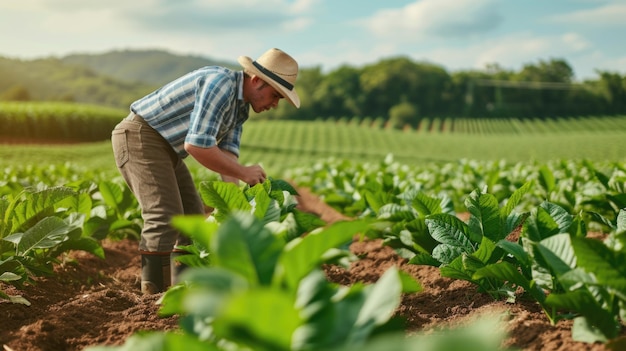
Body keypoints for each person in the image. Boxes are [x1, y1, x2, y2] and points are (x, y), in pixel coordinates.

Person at [111, 48, 300, 294]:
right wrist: (245, 173)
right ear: (256, 80)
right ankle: (153, 294)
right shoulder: (220, 84)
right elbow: (197, 145)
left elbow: (227, 154)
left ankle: (181, 287)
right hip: (140, 136)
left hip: (166, 147)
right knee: (164, 215)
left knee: (191, 219)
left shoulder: (240, 108)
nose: (274, 104)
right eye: (275, 95)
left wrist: (232, 208)